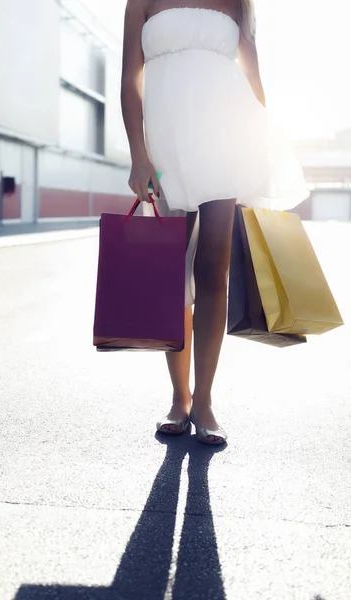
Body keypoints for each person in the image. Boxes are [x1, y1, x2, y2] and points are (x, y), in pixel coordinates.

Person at [121, 0, 308, 444]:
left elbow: (253, 82)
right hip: (167, 147)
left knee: (213, 270)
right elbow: (131, 78)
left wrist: (255, 154)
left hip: (224, 143)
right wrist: (137, 155)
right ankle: (178, 396)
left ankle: (202, 401)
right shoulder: (141, 1)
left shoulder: (238, 3)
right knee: (171, 276)